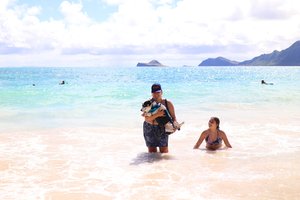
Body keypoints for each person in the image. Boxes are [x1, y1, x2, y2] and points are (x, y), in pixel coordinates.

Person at [142, 83, 178, 153]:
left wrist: (175, 125)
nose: (156, 94)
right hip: (149, 127)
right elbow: (147, 119)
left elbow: (174, 117)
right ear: (151, 93)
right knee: (152, 152)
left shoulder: (168, 103)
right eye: (154, 92)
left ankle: (163, 164)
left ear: (161, 92)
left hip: (163, 127)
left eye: (158, 92)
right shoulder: (147, 103)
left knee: (164, 152)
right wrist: (158, 114)